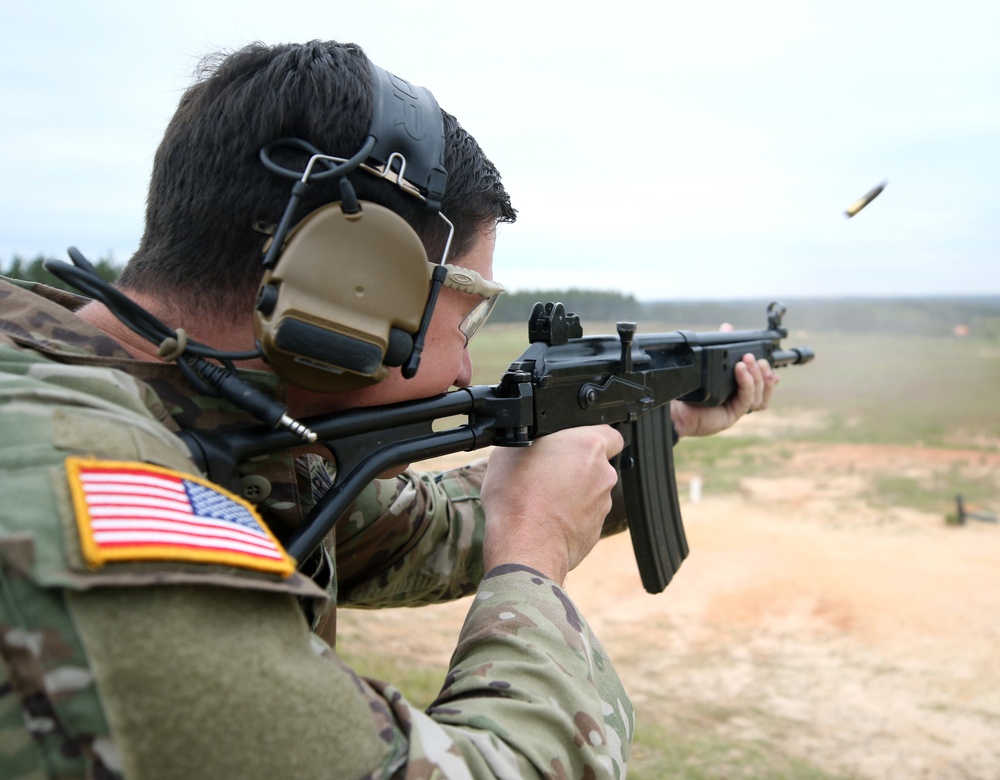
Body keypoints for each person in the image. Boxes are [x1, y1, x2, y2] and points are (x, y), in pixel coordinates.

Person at [0, 40, 778, 779]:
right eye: (466, 314)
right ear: (353, 281)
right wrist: (534, 557)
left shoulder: (171, 402)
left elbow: (423, 528)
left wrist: (655, 423)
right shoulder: (91, 516)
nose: (466, 366)